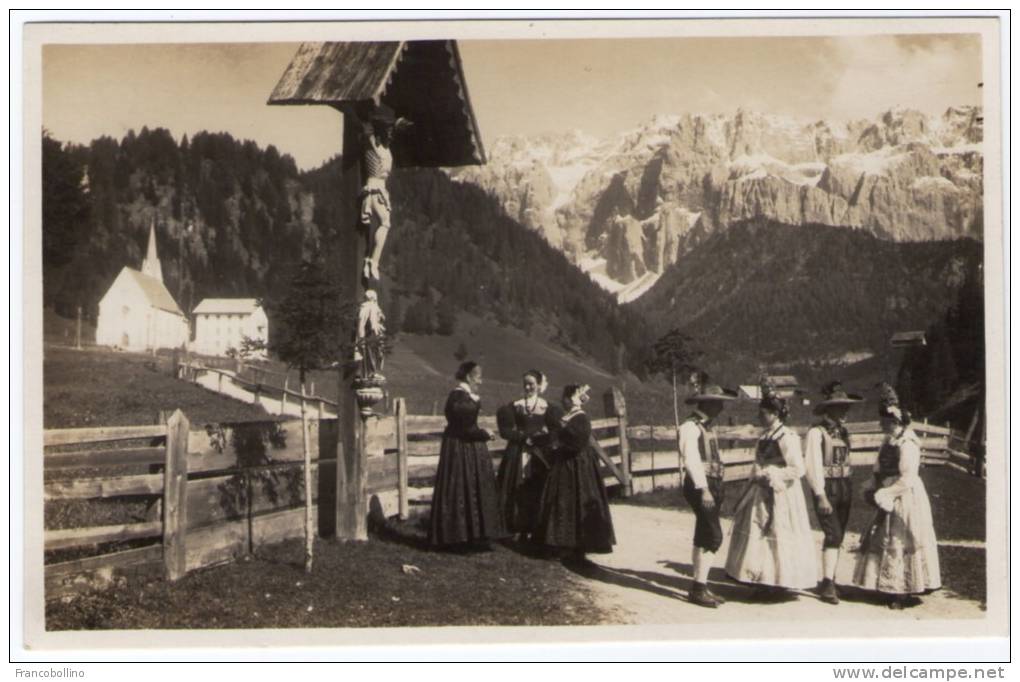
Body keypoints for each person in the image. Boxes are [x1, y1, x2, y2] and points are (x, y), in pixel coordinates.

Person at [726, 376, 818, 600]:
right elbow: (758, 460)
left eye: (764, 413)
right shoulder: (764, 436)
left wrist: (772, 474)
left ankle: (779, 581)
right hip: (761, 491)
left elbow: (797, 469)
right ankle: (761, 580)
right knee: (758, 531)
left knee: (779, 532)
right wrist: (757, 473)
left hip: (781, 493)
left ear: (775, 414)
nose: (760, 416)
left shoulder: (788, 437)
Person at [853, 384, 941, 609]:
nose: (881, 424)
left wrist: (887, 493)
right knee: (883, 538)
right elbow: (878, 467)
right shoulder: (888, 441)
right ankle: (887, 586)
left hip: (905, 496)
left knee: (900, 540)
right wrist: (873, 484)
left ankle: (902, 592)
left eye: (884, 421)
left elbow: (909, 477)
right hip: (887, 493)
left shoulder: (908, 443)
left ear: (895, 421)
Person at [427, 361, 508, 549]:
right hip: (459, 448)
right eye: (478, 376)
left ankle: (471, 535)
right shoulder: (458, 397)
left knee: (470, 489)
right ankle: (456, 536)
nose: (481, 381)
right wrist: (483, 433)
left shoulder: (464, 396)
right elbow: (464, 427)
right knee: (461, 489)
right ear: (469, 377)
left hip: (466, 447)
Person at [533, 384, 616, 563]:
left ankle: (578, 546)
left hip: (578, 464)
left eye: (565, 398)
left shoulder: (580, 418)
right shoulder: (569, 416)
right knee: (563, 502)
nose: (563, 401)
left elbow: (577, 442)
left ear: (570, 399)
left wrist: (559, 444)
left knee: (578, 500)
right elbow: (558, 435)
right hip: (566, 463)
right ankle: (561, 543)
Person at [678, 373, 739, 608]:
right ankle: (698, 589)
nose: (722, 407)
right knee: (714, 535)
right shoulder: (689, 427)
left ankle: (700, 586)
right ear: (707, 403)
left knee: (703, 533)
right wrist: (704, 489)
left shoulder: (708, 428)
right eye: (718, 402)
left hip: (712, 483)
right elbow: (691, 460)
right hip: (700, 485)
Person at [803, 381, 864, 605]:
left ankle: (831, 579)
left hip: (844, 486)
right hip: (827, 488)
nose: (846, 412)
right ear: (830, 409)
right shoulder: (816, 434)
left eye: (847, 407)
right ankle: (827, 585)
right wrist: (820, 495)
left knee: (839, 535)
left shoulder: (844, 432)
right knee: (833, 534)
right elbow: (812, 466)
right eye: (841, 407)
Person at [357, 103, 412, 283]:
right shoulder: (373, 145)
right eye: (387, 130)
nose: (391, 134)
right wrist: (390, 122)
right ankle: (373, 261)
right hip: (374, 188)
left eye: (391, 131)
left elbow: (389, 132)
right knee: (385, 223)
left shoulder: (387, 149)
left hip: (380, 189)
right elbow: (367, 129)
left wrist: (395, 124)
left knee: (383, 224)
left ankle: (371, 261)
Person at [495, 370, 552, 540]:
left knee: (535, 487)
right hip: (517, 452)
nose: (528, 387)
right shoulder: (515, 406)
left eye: (532, 384)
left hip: (538, 454)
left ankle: (534, 528)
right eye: (525, 384)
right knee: (514, 487)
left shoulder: (546, 406)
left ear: (539, 385)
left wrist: (540, 439)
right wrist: (521, 437)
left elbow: (555, 431)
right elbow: (505, 431)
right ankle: (514, 526)